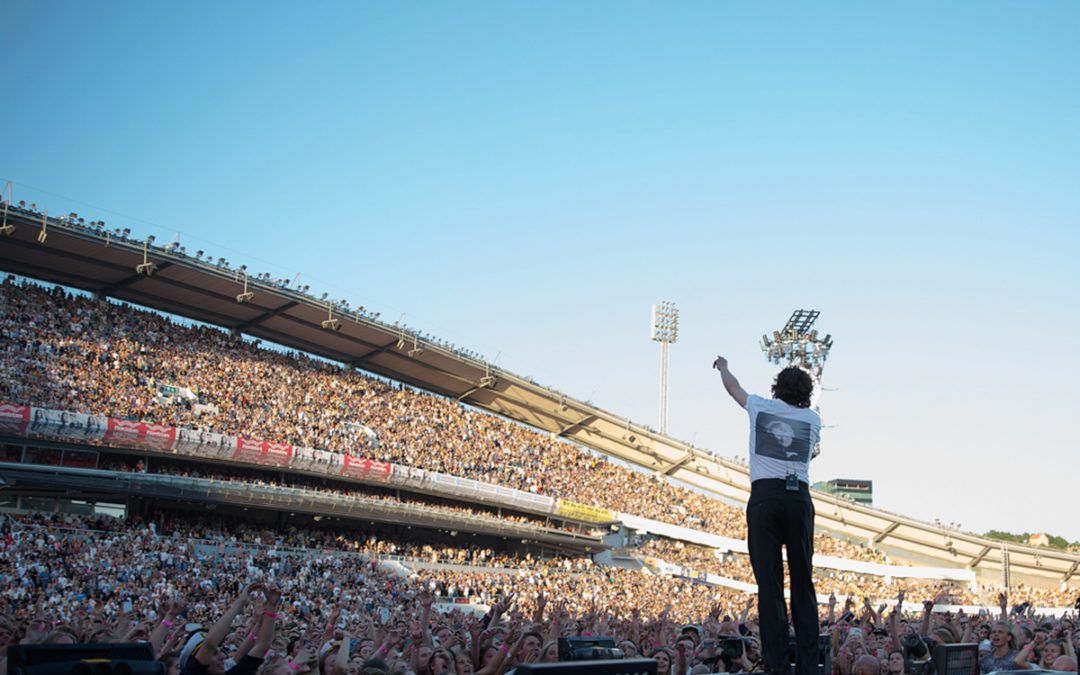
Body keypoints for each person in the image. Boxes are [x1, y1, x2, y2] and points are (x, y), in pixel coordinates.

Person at [714, 357, 821, 675]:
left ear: (777, 388)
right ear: (806, 392)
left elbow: (733, 389)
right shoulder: (813, 418)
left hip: (764, 498)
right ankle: (808, 666)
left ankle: (776, 665)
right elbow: (814, 451)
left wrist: (723, 367)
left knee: (770, 585)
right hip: (798, 498)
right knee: (803, 583)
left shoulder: (760, 406)